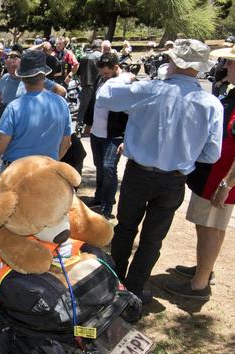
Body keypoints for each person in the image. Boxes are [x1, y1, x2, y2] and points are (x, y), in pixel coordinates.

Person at [96, 39, 223, 304]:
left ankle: (115, 283)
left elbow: (105, 96)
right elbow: (211, 154)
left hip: (139, 173)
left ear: (175, 61)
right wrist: (185, 152)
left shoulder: (150, 89)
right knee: (152, 238)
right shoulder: (210, 104)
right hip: (174, 179)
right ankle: (134, 288)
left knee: (126, 228)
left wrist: (122, 78)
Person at [164, 45, 235, 301]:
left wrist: (227, 183)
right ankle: (205, 269)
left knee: (209, 227)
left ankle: (199, 285)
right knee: (211, 226)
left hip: (218, 178)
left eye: (231, 63)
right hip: (212, 175)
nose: (226, 66)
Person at [0, 50, 72, 171]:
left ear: (22, 78)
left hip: (16, 173)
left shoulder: (14, 107)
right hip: (47, 172)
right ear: (44, 76)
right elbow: (66, 144)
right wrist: (49, 164)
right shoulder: (62, 104)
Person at [84, 52, 130, 219]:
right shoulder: (100, 79)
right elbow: (93, 102)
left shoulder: (125, 83)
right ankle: (99, 198)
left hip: (114, 135)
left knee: (109, 168)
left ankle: (107, 206)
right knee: (100, 166)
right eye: (102, 73)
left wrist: (126, 138)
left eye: (106, 73)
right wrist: (88, 123)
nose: (104, 76)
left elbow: (131, 114)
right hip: (97, 133)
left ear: (116, 67)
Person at [0, 49, 66, 126]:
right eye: (8, 67)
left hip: (26, 124)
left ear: (21, 65)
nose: (11, 70)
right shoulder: (5, 78)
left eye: (14, 67)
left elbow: (61, 91)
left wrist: (48, 111)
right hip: (6, 122)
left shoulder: (32, 78)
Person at [77, 39, 103, 127]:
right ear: (100, 47)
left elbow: (79, 73)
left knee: (83, 107)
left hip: (85, 85)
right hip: (97, 85)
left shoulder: (84, 57)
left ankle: (79, 125)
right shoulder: (101, 56)